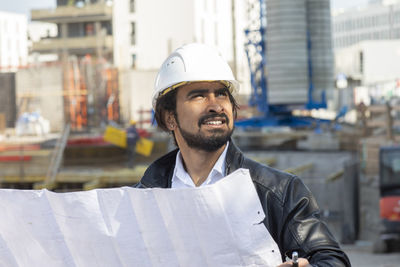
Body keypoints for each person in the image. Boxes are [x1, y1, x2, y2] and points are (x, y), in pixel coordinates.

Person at [136, 43, 351, 267]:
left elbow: (332, 261)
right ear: (170, 118)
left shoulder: (277, 191)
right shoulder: (144, 197)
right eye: (198, 96)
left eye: (221, 94)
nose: (215, 106)